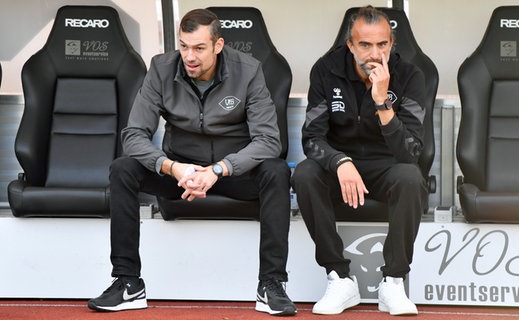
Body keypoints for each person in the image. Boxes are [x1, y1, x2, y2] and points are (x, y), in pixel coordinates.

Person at [87, 8, 297, 316]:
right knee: (122, 169)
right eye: (184, 46)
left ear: (218, 45)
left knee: (276, 171)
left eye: (199, 47)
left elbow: (269, 141)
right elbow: (133, 136)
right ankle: (128, 282)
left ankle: (271, 284)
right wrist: (173, 167)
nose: (190, 56)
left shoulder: (249, 70)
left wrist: (219, 170)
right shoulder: (161, 69)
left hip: (232, 171)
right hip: (180, 171)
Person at [291, 5, 427, 316]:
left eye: (382, 44)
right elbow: (312, 139)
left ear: (391, 44)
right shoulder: (326, 70)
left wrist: (381, 101)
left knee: (410, 177)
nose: (374, 53)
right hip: (341, 169)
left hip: (387, 166)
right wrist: (340, 162)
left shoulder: (409, 75)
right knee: (305, 173)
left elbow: (411, 152)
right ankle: (339, 277)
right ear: (350, 45)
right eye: (365, 45)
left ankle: (393, 281)